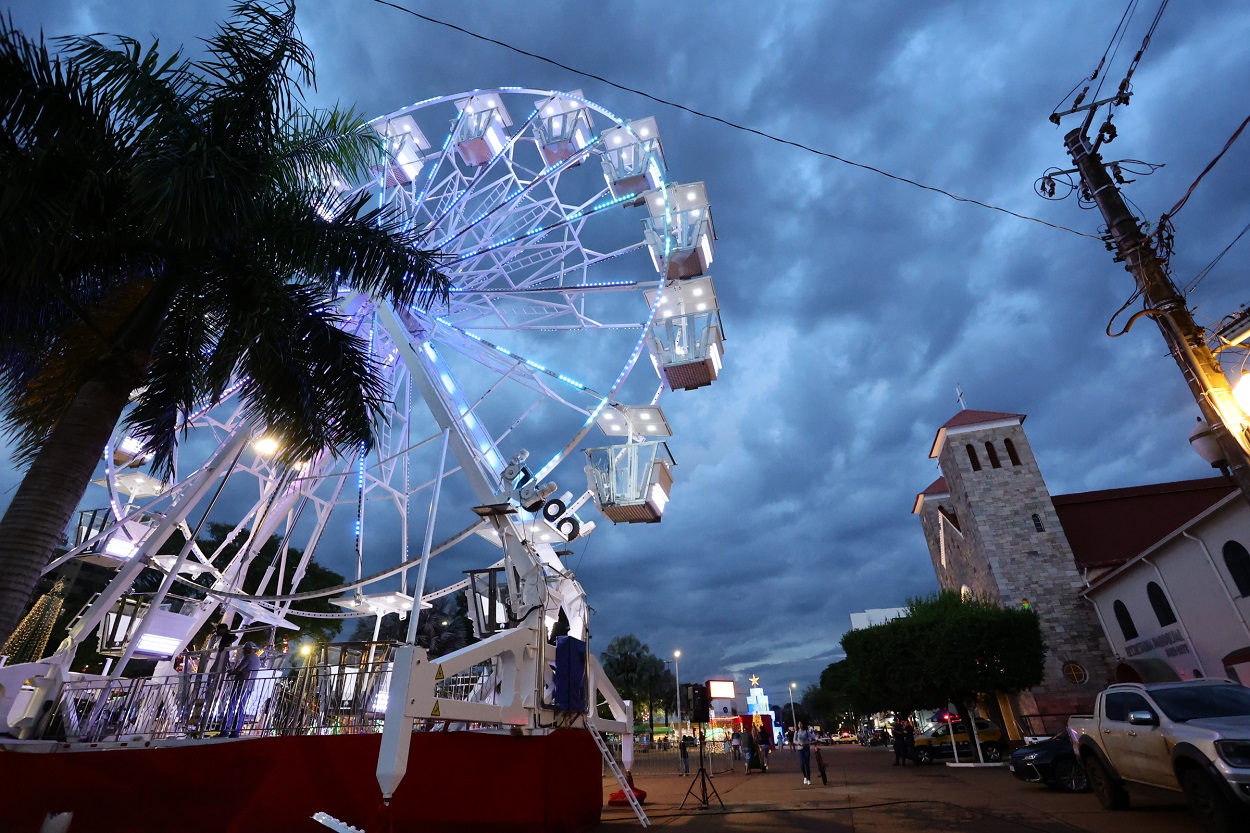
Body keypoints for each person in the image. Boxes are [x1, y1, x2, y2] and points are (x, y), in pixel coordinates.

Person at [223, 642, 261, 738]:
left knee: (231, 706)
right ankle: (236, 731)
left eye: (246, 649)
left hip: (241, 685)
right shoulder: (257, 659)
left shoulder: (248, 657)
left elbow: (238, 669)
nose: (244, 651)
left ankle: (225, 730)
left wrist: (230, 672)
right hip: (249, 686)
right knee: (241, 708)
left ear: (250, 649)